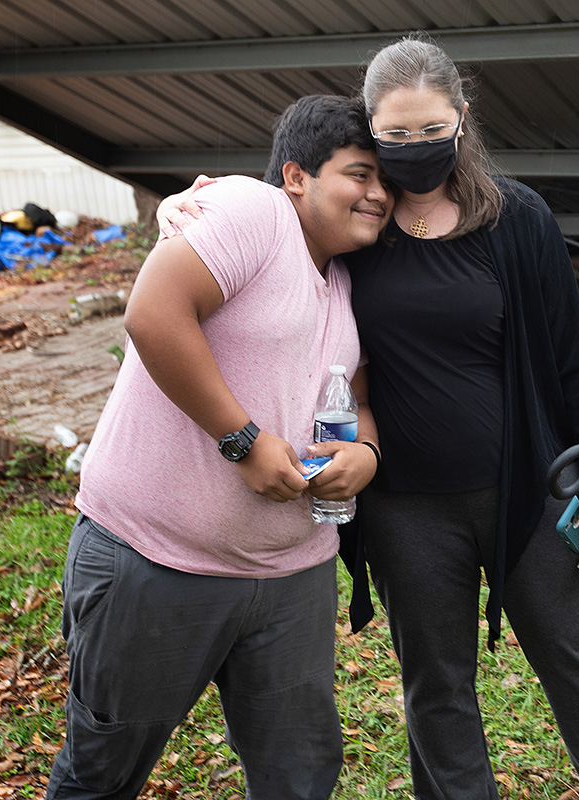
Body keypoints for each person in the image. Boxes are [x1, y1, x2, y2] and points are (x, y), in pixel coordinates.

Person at [159, 34, 579, 800]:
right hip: (405, 507)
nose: (415, 149)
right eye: (395, 136)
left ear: (461, 118)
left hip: (525, 488)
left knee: (576, 660)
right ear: (371, 127)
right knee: (437, 683)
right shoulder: (357, 225)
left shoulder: (515, 216)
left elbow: (570, 357)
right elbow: (271, 210)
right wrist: (183, 207)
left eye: (431, 131)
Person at [46, 94, 388, 800]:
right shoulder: (253, 213)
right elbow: (153, 311)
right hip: (156, 561)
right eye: (360, 174)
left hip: (293, 577)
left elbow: (355, 397)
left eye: (387, 182)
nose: (379, 194)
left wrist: (367, 456)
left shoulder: (349, 281)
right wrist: (243, 440)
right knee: (102, 774)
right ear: (297, 176)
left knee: (299, 777)